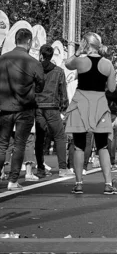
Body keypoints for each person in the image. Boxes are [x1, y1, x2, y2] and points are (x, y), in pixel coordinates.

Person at [64, 32, 117, 195]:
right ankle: (108, 184)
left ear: (85, 44)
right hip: (99, 105)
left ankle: (79, 183)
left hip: (80, 104)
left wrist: (77, 51)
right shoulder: (107, 64)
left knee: (79, 146)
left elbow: (67, 64)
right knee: (102, 146)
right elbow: (112, 88)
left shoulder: (80, 61)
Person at [0, 28, 45, 191]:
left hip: (4, 107)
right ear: (29, 42)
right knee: (20, 144)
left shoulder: (2, 59)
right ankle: (13, 181)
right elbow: (41, 85)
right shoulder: (33, 62)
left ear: (15, 40)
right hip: (25, 108)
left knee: (2, 144)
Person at [34, 44, 71, 178]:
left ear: (41, 55)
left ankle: (40, 168)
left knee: (40, 138)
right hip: (52, 107)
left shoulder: (35, 69)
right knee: (60, 137)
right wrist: (64, 108)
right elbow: (63, 92)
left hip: (38, 106)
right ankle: (62, 168)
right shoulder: (58, 71)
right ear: (52, 56)